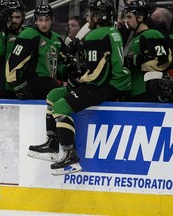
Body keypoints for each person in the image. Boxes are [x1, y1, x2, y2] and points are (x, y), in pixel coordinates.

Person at [27, 0, 131, 175]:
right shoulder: (110, 31)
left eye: (91, 13)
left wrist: (77, 81)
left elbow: (97, 74)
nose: (88, 16)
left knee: (60, 106)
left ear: (99, 16)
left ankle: (70, 156)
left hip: (108, 84)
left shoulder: (97, 35)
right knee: (54, 94)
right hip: (111, 80)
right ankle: (53, 143)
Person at [6, 3, 70, 100]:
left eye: (47, 20)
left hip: (49, 81)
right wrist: (19, 85)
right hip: (35, 80)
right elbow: (13, 63)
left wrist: (69, 70)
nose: (44, 24)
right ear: (35, 21)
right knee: (61, 95)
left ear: (52, 20)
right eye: (40, 20)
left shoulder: (56, 38)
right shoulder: (29, 35)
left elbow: (59, 65)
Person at [122, 0, 172, 102]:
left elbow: (163, 61)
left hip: (146, 92)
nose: (125, 20)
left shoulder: (150, 34)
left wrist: (137, 62)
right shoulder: (134, 36)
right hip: (134, 90)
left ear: (140, 17)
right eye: (125, 17)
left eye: (129, 17)